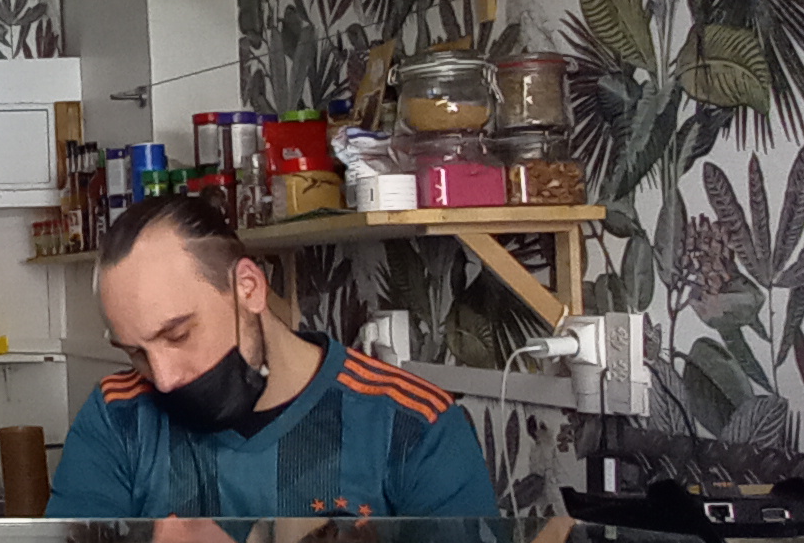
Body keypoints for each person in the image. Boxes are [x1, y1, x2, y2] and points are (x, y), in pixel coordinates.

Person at [50, 193, 494, 520]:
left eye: (179, 335)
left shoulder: (412, 425)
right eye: (136, 353)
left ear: (249, 288)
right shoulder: (118, 418)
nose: (163, 379)